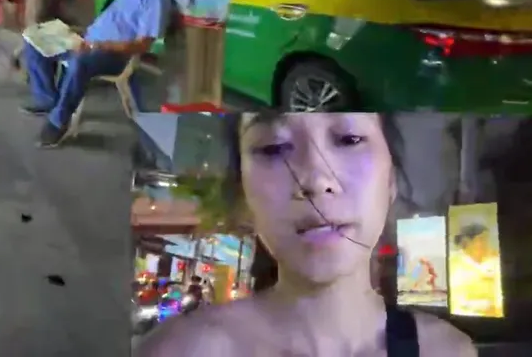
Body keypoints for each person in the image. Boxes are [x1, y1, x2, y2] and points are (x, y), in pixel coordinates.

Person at [144, 112, 477, 357]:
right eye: (273, 148)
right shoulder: (179, 350)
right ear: (243, 193)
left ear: (390, 181)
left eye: (349, 139)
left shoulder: (447, 351)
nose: (316, 181)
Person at [22, 0, 174, 148]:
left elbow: (142, 45)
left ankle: (58, 122)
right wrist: (82, 38)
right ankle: (47, 100)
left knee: (80, 62)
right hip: (88, 41)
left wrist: (101, 46)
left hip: (113, 54)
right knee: (34, 39)